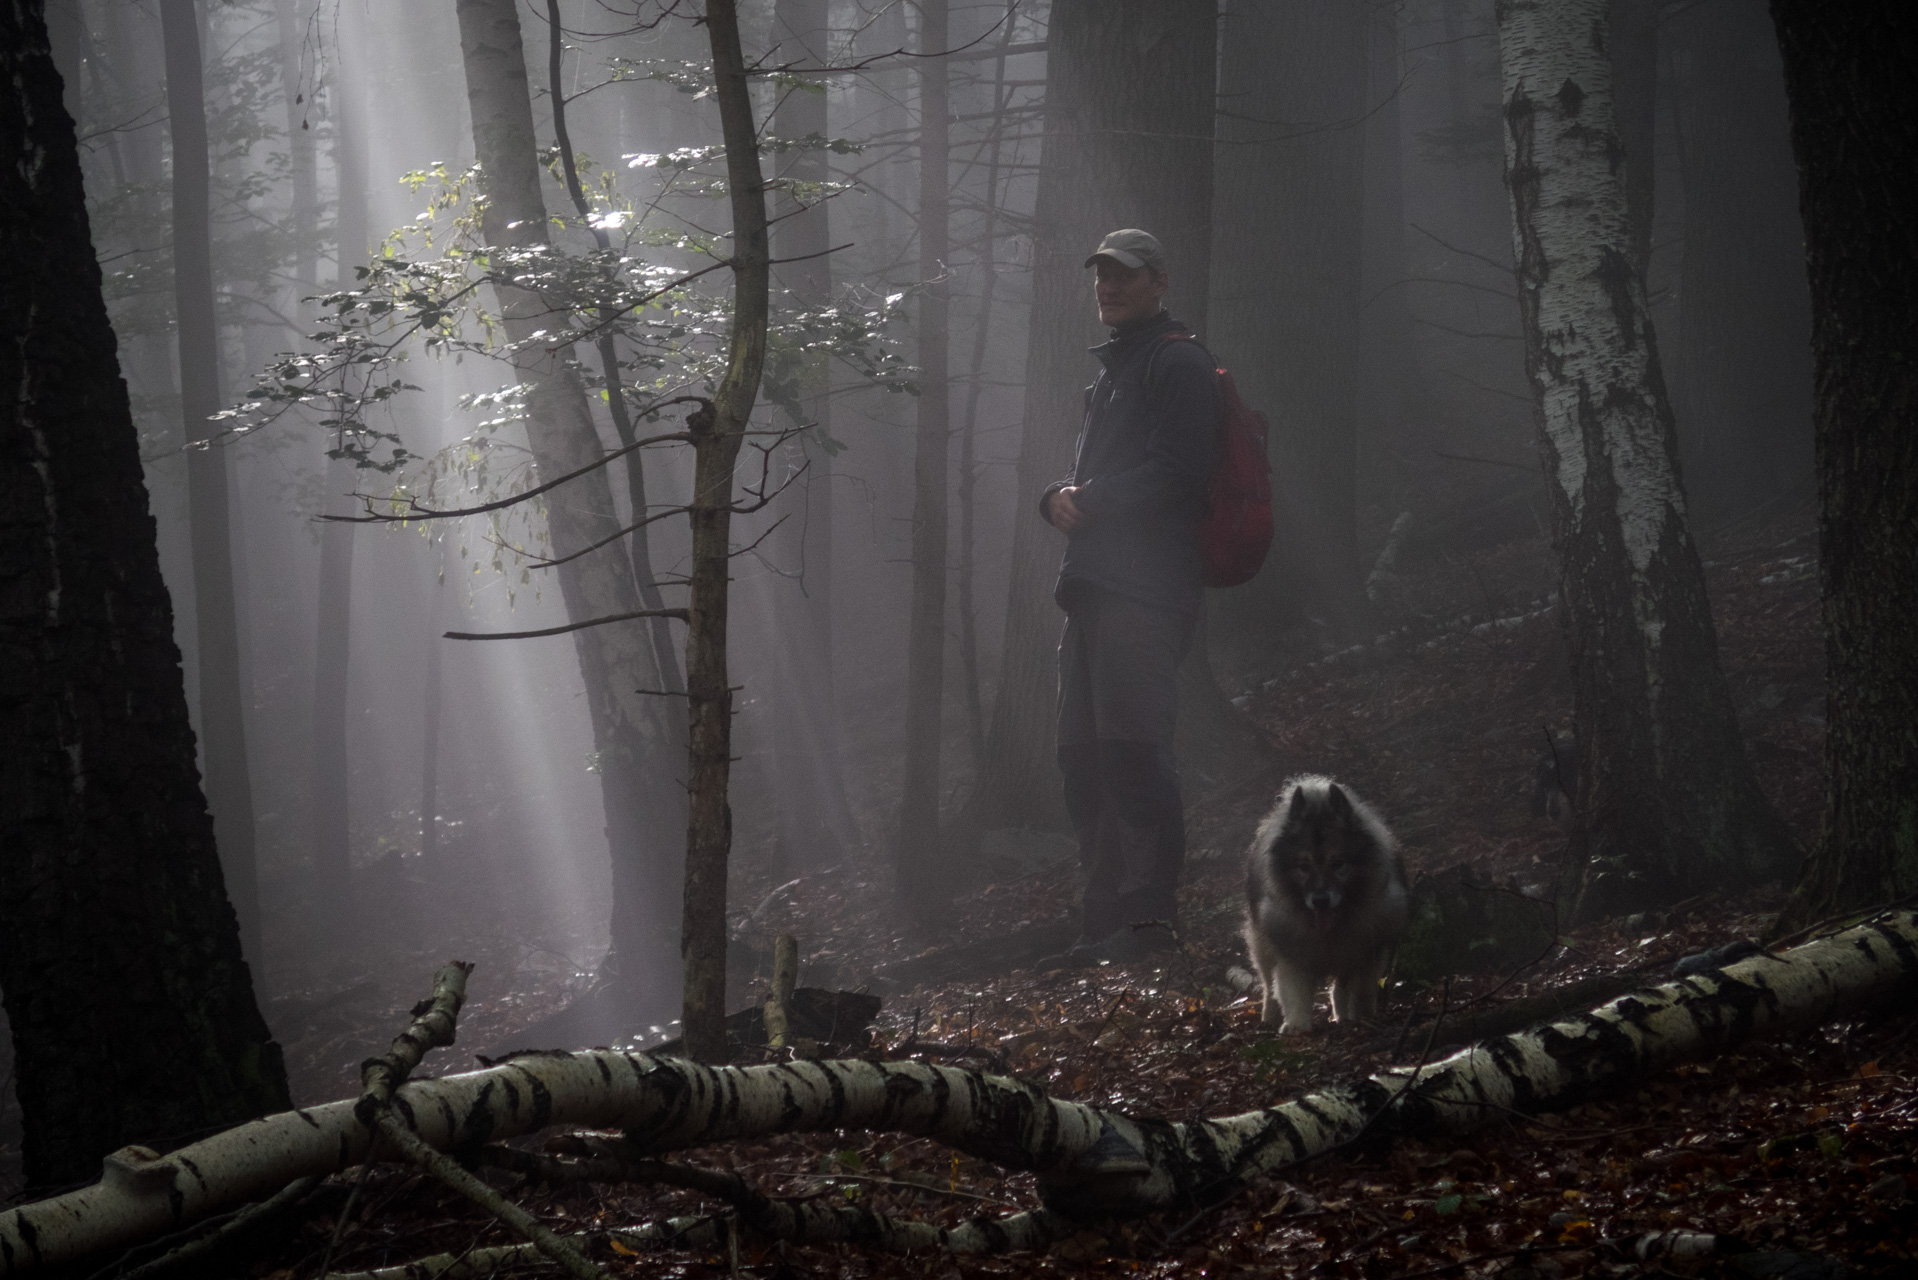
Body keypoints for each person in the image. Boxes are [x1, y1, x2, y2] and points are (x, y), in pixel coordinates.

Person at [1042, 228, 1222, 963]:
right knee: (1082, 761)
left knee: (1135, 754)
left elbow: (1183, 472)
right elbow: (1102, 480)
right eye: (1100, 277)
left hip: (1146, 592)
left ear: (1159, 280)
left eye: (1123, 275)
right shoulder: (1113, 375)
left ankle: (1149, 929)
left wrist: (1094, 499)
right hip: (1093, 590)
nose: (1107, 287)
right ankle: (1103, 928)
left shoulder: (1178, 363)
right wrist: (1051, 496)